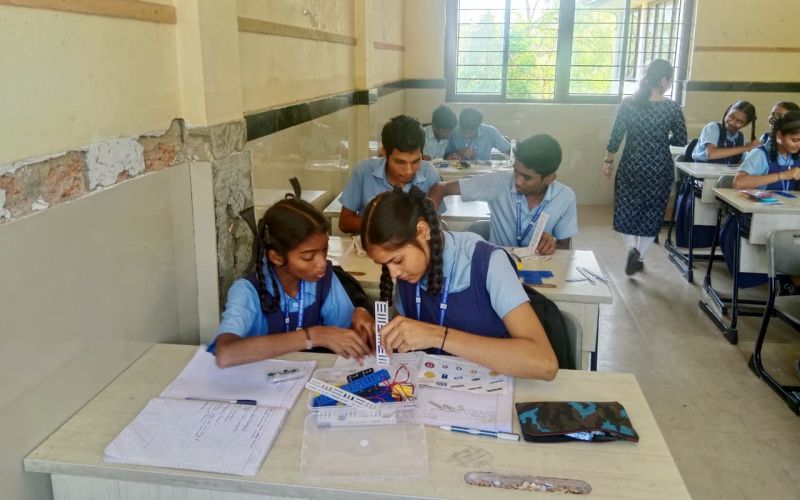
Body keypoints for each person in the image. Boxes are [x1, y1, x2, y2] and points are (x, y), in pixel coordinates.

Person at [359, 187, 558, 379]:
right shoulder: (408, 273)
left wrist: (437, 336)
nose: (393, 273)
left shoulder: (488, 261)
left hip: (492, 385)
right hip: (435, 386)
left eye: (397, 260)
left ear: (423, 231)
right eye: (384, 264)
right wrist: (385, 341)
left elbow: (545, 364)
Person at [209, 197, 373, 368]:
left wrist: (360, 317)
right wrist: (313, 336)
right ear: (277, 257)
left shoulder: (323, 280)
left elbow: (346, 334)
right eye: (308, 257)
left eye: (325, 251)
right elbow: (225, 354)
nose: (322, 263)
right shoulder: (248, 291)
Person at [602, 59, 687, 275]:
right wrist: (662, 138)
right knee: (653, 212)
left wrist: (608, 162)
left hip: (631, 165)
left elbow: (616, 136)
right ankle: (639, 255)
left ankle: (631, 248)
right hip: (659, 167)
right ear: (663, 80)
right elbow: (681, 140)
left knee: (626, 208)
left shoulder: (628, 103)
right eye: (670, 80)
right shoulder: (671, 107)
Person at [428, 134, 577, 253]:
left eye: (527, 178)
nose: (517, 181)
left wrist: (552, 244)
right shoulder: (499, 182)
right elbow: (441, 188)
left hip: (539, 267)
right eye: (516, 171)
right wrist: (430, 227)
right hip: (498, 264)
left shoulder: (564, 198)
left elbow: (565, 247)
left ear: (549, 178)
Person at [725, 111, 800, 292]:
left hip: (788, 217)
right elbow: (739, 183)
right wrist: (783, 175)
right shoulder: (760, 155)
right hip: (757, 220)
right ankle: (792, 282)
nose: (799, 145)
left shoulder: (796, 156)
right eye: (795, 140)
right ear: (779, 135)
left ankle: (792, 283)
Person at [339, 115, 439, 234]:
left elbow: (435, 223)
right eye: (400, 162)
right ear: (385, 153)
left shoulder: (430, 173)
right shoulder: (363, 171)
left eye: (415, 161)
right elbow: (344, 222)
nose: (408, 171)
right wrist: (388, 227)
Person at [692, 101, 760, 164]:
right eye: (731, 116)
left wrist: (757, 150)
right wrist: (746, 147)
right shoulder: (713, 128)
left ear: (745, 125)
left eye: (739, 122)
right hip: (702, 171)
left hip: (724, 173)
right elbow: (711, 154)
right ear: (728, 111)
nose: (732, 122)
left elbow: (744, 160)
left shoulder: (741, 137)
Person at [445, 107, 511, 161]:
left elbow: (509, 150)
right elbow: (445, 156)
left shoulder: (490, 132)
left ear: (478, 126)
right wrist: (459, 152)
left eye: (470, 133)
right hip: (458, 170)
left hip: (483, 170)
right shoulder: (454, 132)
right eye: (464, 131)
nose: (466, 135)